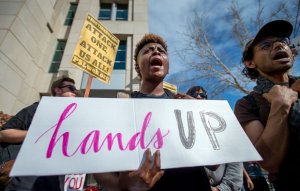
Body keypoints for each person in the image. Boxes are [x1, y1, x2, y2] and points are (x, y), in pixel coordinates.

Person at [93, 34, 211, 191]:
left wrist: (200, 114)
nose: (156, 52)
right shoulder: (122, 104)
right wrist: (120, 186)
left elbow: (214, 162)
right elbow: (97, 162)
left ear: (167, 65)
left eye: (161, 51)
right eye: (148, 50)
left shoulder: (185, 103)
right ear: (137, 67)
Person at [234, 20, 300, 191]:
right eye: (265, 45)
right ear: (250, 63)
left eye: (283, 42)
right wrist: (281, 104)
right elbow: (269, 161)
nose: (279, 45)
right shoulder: (247, 104)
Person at [0, 76, 78, 191]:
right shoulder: (38, 108)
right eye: (70, 88)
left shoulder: (71, 120)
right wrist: (39, 133)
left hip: (52, 182)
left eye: (75, 90)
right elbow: (4, 134)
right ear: (57, 90)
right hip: (22, 179)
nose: (74, 92)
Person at [187, 85, 244, 191]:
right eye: (194, 95)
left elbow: (235, 160)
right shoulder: (179, 127)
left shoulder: (222, 124)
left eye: (202, 95)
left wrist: (221, 189)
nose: (198, 97)